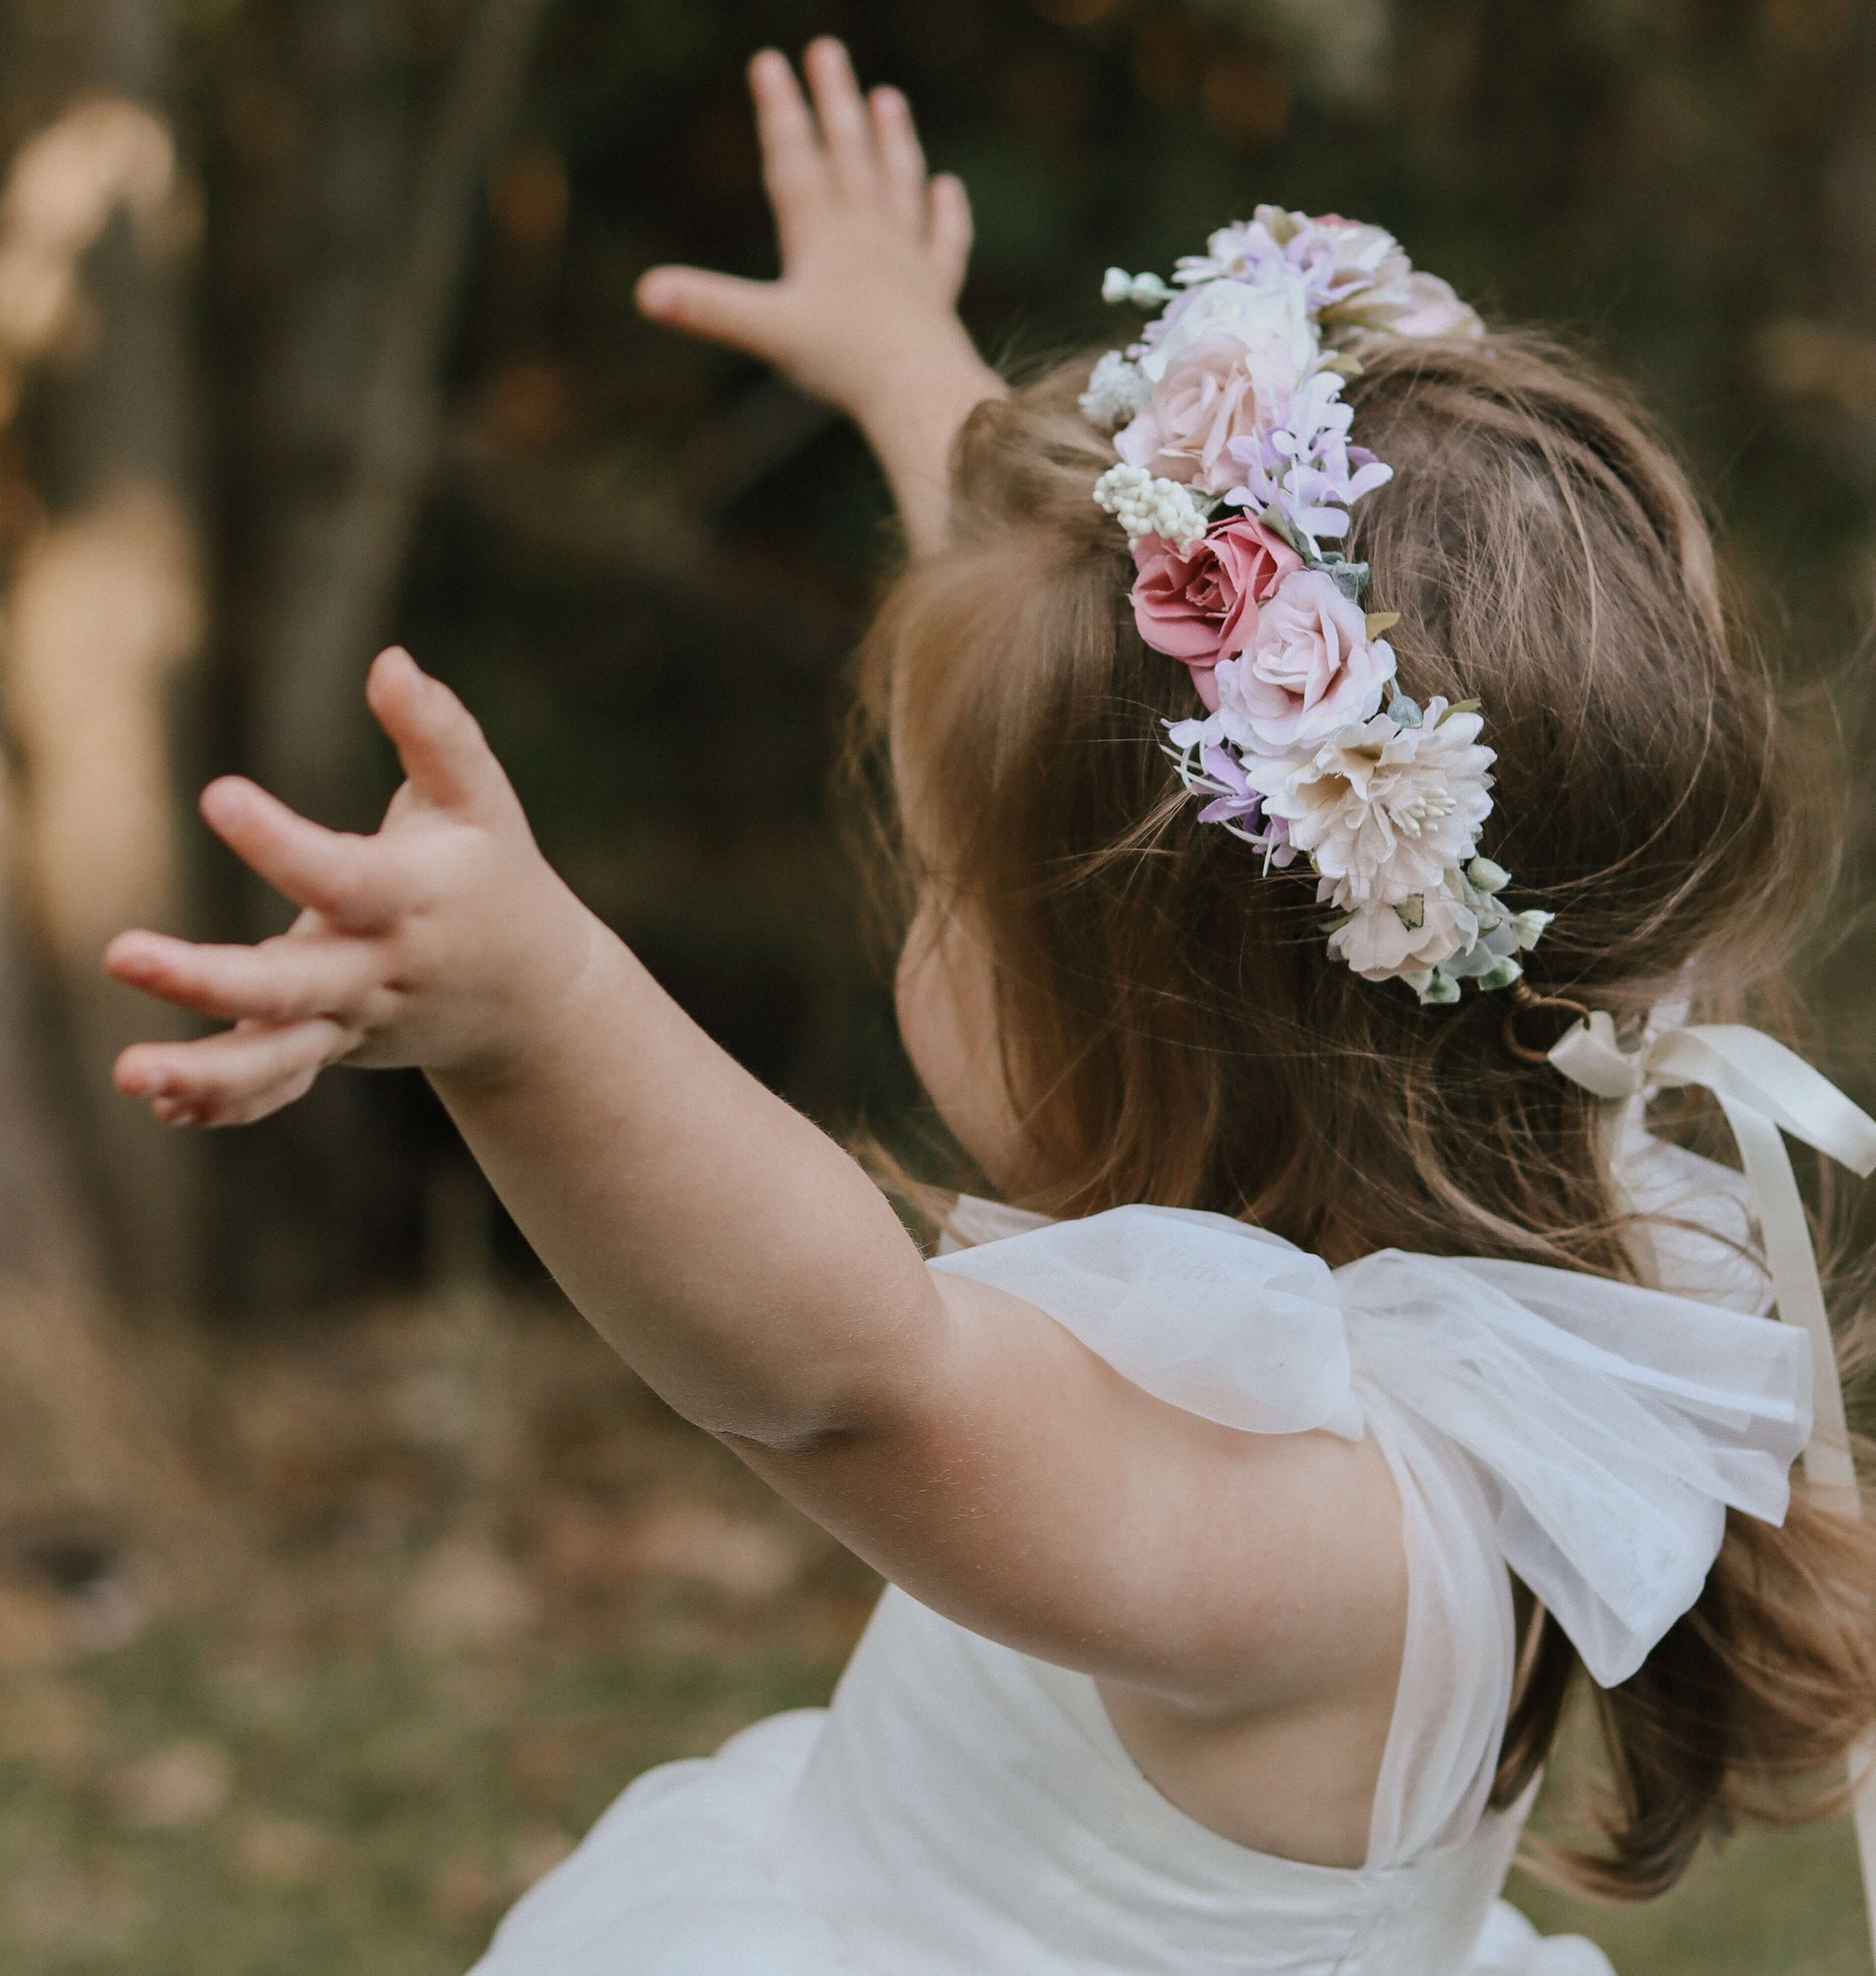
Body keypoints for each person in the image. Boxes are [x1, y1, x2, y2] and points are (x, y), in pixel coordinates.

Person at [104, 38, 1876, 1976]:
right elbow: (1124, 707)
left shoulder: (1331, 1547)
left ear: (1163, 1014)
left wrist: (542, 1014)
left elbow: (855, 1375)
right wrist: (904, 367)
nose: (918, 917)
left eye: (955, 894)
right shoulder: (1536, 1200)